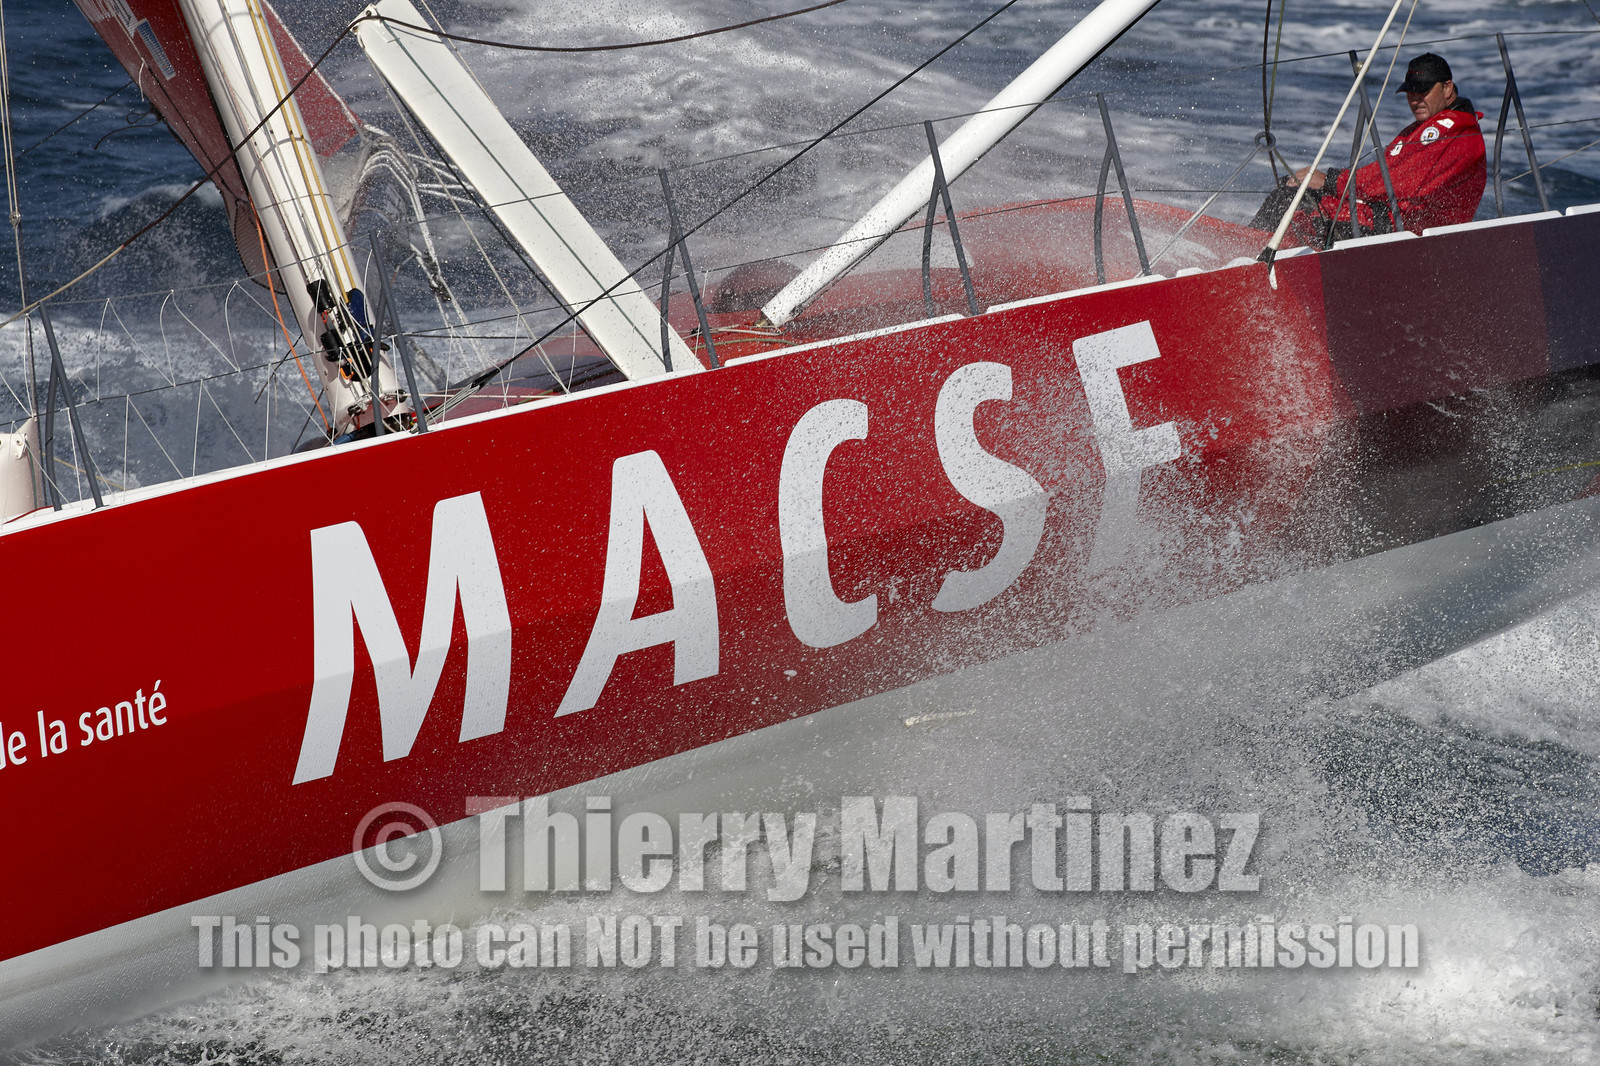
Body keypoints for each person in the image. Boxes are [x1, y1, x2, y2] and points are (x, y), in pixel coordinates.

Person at [1251, 53, 1487, 242]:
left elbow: (1398, 181)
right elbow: (1384, 178)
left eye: (1423, 90)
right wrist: (1332, 184)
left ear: (1447, 89)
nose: (1415, 99)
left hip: (1409, 235)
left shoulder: (1457, 131)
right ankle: (1256, 255)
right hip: (1388, 217)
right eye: (1411, 92)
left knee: (1299, 204)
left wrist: (1331, 181)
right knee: (1291, 192)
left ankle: (1247, 260)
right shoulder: (1422, 127)